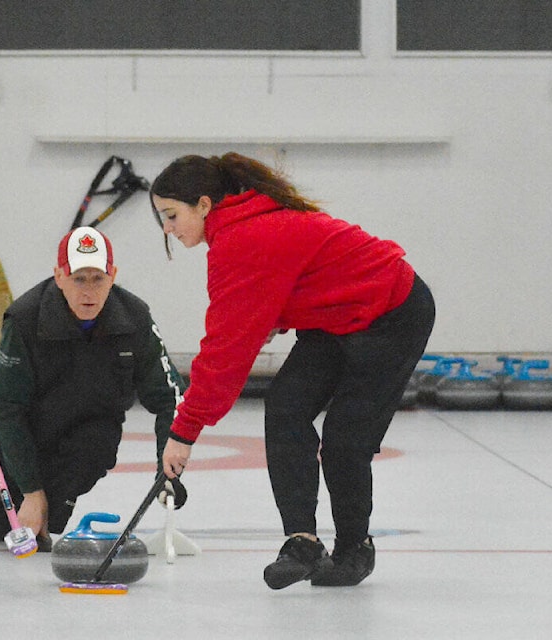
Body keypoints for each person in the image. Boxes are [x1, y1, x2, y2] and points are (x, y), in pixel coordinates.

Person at [150, 153, 435, 589]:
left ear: (204, 205)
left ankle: (355, 548)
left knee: (345, 440)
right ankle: (301, 541)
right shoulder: (242, 227)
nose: (168, 229)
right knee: (285, 407)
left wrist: (184, 432)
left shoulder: (241, 240)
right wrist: (274, 318)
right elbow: (301, 273)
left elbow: (224, 353)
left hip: (392, 313)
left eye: (171, 215)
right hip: (335, 319)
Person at [0, 226, 187, 550]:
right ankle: (10, 501)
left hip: (93, 429)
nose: (89, 291)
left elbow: (170, 397)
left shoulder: (136, 318)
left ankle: (46, 517)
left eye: (98, 279)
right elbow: (8, 411)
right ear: (59, 276)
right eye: (78, 279)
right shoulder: (24, 319)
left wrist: (166, 471)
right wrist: (31, 491)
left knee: (90, 452)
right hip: (32, 427)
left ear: (113, 276)